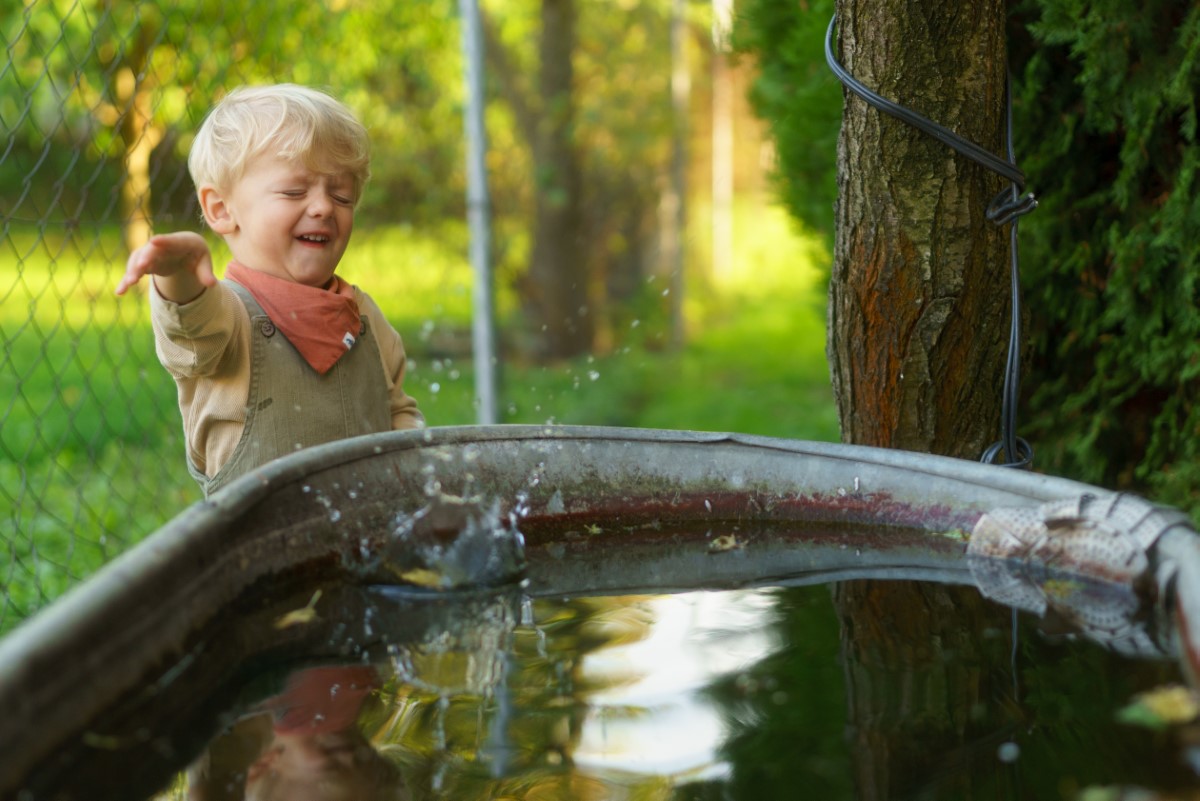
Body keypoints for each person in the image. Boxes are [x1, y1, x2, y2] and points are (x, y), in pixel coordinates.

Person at [115, 84, 423, 496]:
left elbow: (396, 411)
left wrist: (422, 485)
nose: (323, 207)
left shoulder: (363, 316)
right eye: (294, 191)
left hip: (368, 541)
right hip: (262, 550)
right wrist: (179, 275)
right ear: (222, 210)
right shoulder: (229, 318)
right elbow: (190, 326)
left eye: (342, 195)